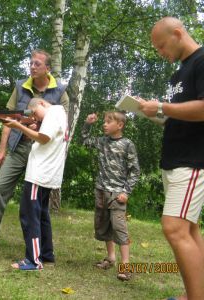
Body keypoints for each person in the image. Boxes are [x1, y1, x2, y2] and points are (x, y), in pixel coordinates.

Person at [0, 49, 69, 250]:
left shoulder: (60, 92)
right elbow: (9, 119)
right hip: (19, 147)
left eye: (37, 64)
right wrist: (1, 149)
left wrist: (39, 126)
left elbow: (62, 124)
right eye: (30, 63)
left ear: (48, 68)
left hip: (43, 153)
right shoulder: (20, 87)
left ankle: (39, 249)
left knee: (37, 201)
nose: (32, 66)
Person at [139, 17, 204, 300]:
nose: (160, 52)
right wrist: (156, 114)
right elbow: (179, 116)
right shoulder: (178, 74)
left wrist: (162, 106)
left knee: (174, 228)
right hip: (174, 158)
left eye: (162, 46)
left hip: (193, 159)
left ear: (178, 34)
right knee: (189, 230)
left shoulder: (202, 61)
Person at [3, 98, 67, 270]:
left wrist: (19, 127)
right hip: (47, 174)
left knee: (29, 215)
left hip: (39, 174)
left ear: (42, 104)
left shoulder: (53, 113)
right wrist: (35, 127)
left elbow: (44, 139)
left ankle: (33, 260)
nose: (35, 117)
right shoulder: (60, 113)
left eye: (35, 113)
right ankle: (46, 254)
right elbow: (48, 138)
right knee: (42, 215)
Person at [81, 111, 140, 281]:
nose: (104, 124)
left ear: (120, 125)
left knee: (119, 228)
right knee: (105, 226)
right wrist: (88, 123)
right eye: (104, 122)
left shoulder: (127, 144)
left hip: (117, 194)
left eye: (108, 122)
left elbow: (134, 171)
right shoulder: (102, 142)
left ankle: (126, 266)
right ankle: (110, 258)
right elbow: (84, 140)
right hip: (101, 191)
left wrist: (126, 192)